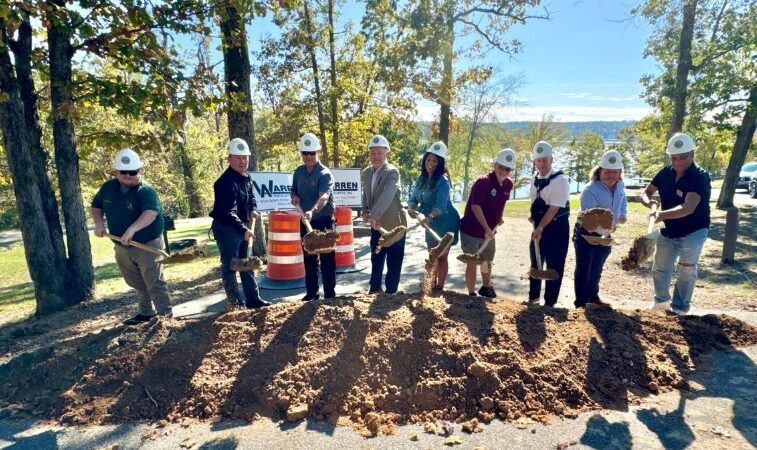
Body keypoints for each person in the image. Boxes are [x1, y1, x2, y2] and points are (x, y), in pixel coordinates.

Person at [91, 148, 172, 325]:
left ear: (140, 171)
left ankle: (166, 317)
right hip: (121, 246)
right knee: (136, 281)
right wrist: (99, 224)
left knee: (154, 281)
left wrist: (132, 229)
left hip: (147, 245)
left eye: (133, 172)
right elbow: (96, 206)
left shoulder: (146, 191)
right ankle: (146, 313)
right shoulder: (108, 188)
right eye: (123, 172)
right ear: (116, 172)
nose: (128, 175)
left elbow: (150, 213)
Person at [642, 132, 710, 315]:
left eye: (683, 157)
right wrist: (650, 202)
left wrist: (660, 215)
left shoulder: (700, 177)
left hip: (694, 229)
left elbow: (688, 207)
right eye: (674, 158)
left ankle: (680, 308)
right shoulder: (665, 173)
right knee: (661, 266)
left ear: (692, 154)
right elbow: (646, 192)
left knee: (687, 268)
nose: (678, 162)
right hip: (670, 229)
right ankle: (661, 301)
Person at [209, 138, 270, 309]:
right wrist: (243, 229)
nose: (243, 161)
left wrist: (253, 209)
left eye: (245, 157)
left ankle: (253, 299)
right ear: (229, 158)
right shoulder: (224, 183)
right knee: (231, 265)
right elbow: (228, 211)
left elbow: (251, 198)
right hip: (226, 227)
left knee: (246, 263)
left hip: (241, 225)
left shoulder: (246, 177)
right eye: (238, 157)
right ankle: (235, 303)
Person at [573, 150, 628, 308]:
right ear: (600, 171)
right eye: (607, 172)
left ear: (619, 173)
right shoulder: (590, 189)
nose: (611, 175)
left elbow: (623, 200)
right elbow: (590, 217)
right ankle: (581, 302)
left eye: (614, 172)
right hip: (587, 233)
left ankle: (593, 296)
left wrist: (622, 214)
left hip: (606, 234)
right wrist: (607, 221)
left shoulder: (620, 186)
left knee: (597, 266)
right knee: (585, 267)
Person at [459, 148, 516, 297]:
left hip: (489, 232)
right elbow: (475, 206)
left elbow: (502, 202)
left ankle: (486, 287)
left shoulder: (508, 184)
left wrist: (500, 218)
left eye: (507, 169)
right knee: (472, 262)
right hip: (471, 230)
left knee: (486, 261)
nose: (503, 171)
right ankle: (471, 293)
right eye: (500, 167)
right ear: (495, 165)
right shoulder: (483, 182)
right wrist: (486, 228)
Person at [408, 141, 460, 291]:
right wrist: (412, 208)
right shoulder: (421, 179)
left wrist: (429, 217)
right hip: (430, 221)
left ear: (440, 163)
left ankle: (439, 287)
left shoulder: (443, 181)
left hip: (446, 220)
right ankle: (430, 283)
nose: (430, 164)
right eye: (428, 160)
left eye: (434, 161)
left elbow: (440, 206)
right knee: (432, 254)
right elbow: (413, 198)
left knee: (442, 255)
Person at [291, 132, 337, 301]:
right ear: (301, 154)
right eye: (305, 153)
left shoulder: (324, 173)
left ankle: (330, 295)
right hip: (305, 222)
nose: (308, 156)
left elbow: (324, 197)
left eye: (312, 153)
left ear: (318, 152)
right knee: (309, 258)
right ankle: (312, 294)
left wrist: (312, 211)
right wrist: (294, 196)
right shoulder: (299, 172)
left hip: (323, 221)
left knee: (327, 260)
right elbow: (294, 189)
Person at [361, 134, 408, 294]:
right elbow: (366, 194)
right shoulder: (367, 172)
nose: (376, 157)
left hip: (395, 224)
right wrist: (365, 211)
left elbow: (387, 195)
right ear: (369, 154)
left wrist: (374, 215)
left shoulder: (392, 172)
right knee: (376, 257)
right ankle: (374, 289)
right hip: (377, 224)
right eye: (373, 153)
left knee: (394, 261)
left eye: (380, 153)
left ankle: (391, 293)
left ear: (386, 153)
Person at [528, 141, 570, 307]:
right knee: (536, 262)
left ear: (551, 160)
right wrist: (532, 216)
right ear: (535, 162)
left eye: (545, 160)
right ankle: (533, 298)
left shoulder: (560, 181)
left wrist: (540, 228)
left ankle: (550, 303)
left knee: (554, 265)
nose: (542, 164)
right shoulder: (534, 179)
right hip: (539, 226)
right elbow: (534, 202)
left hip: (557, 228)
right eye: (538, 161)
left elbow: (553, 209)